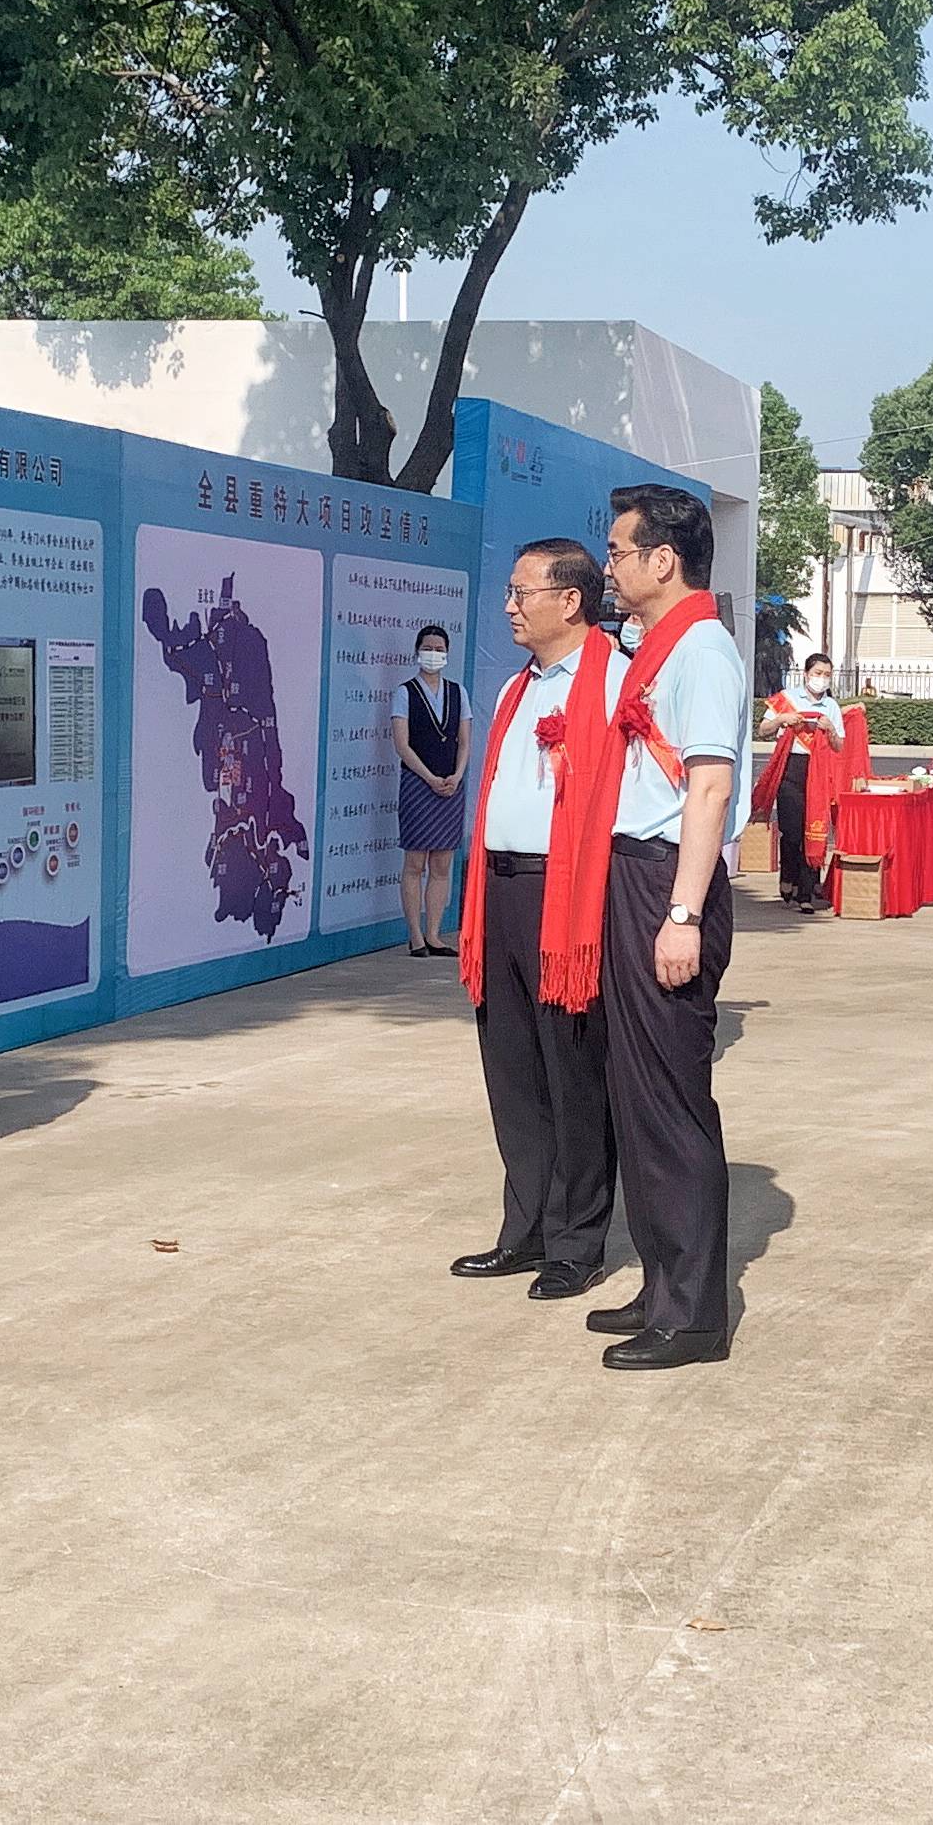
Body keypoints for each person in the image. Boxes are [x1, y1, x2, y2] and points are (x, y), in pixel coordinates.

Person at [582, 482, 750, 1370]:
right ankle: (660, 1284)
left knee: (672, 1100)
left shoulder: (703, 652)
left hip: (665, 883)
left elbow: (709, 788)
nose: (608, 566)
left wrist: (682, 912)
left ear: (662, 559)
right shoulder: (661, 646)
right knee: (635, 1093)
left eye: (618, 552)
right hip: (634, 875)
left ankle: (693, 1316)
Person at [448, 538, 621, 1302]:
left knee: (573, 1074)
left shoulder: (614, 682)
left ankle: (576, 1241)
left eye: (522, 593)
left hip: (568, 899)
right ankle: (524, 1230)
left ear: (571, 600)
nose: (510, 607)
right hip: (501, 889)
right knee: (514, 1071)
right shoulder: (518, 688)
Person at [753, 653, 849, 913]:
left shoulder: (831, 706)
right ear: (806, 674)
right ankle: (789, 878)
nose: (822, 679)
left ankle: (806, 892)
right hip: (791, 767)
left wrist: (830, 729)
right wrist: (782, 719)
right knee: (792, 831)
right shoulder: (788, 698)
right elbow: (763, 730)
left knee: (813, 828)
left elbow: (839, 745)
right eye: (818, 673)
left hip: (817, 770)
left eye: (827, 674)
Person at [395, 623, 470, 956]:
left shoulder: (457, 692)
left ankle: (435, 934)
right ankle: (415, 936)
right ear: (417, 651)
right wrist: (429, 777)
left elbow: (464, 741)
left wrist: (456, 775)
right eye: (428, 648)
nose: (433, 654)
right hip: (418, 783)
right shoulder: (405, 692)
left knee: (442, 864)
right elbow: (402, 745)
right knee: (415, 863)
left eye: (439, 649)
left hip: (451, 786)